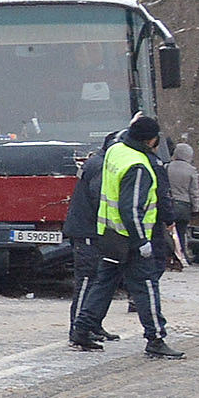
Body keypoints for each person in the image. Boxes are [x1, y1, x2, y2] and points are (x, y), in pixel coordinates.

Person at [73, 113, 184, 358]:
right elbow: (130, 207)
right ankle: (155, 338)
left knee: (105, 282)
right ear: (151, 141)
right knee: (146, 287)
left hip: (109, 233)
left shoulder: (116, 151)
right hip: (130, 239)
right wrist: (142, 241)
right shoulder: (139, 166)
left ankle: (81, 329)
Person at [63, 133, 121, 345]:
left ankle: (92, 325)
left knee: (97, 281)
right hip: (87, 232)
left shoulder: (98, 162)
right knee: (87, 280)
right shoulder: (100, 167)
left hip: (91, 231)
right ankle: (79, 328)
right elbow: (101, 198)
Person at [161, 139, 199, 272]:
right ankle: (182, 255)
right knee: (182, 232)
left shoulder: (167, 167)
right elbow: (194, 191)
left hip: (170, 204)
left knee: (167, 233)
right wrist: (196, 208)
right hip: (185, 205)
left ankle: (169, 258)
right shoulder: (191, 170)